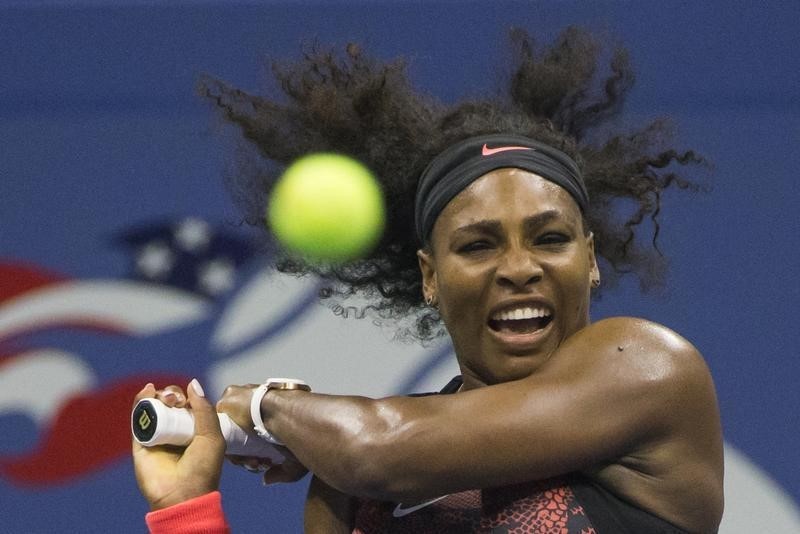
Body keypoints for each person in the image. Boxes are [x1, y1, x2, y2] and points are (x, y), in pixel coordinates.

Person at [132, 27, 724, 533]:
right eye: (478, 245)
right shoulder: (351, 490)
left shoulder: (648, 370)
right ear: (430, 276)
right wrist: (184, 508)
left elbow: (378, 449)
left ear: (590, 258)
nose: (519, 268)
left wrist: (267, 408)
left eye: (550, 238)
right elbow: (375, 450)